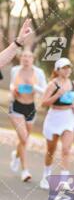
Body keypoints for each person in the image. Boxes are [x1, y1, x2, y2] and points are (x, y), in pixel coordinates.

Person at [40, 58, 74, 189]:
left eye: (69, 67)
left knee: (66, 149)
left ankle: (64, 180)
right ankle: (46, 175)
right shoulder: (53, 84)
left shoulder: (73, 84)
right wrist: (57, 95)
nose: (67, 70)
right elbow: (43, 103)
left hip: (68, 118)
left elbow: (71, 99)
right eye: (64, 68)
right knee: (51, 150)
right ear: (57, 70)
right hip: (54, 118)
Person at [8, 50, 47, 182]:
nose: (26, 59)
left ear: (33, 59)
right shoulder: (15, 70)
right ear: (20, 58)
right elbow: (12, 84)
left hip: (31, 108)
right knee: (24, 138)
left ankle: (16, 155)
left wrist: (34, 86)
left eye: (29, 56)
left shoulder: (39, 73)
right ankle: (25, 170)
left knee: (24, 139)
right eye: (24, 56)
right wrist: (13, 89)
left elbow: (45, 91)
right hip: (16, 106)